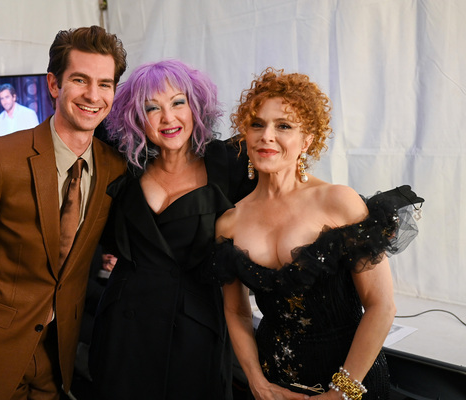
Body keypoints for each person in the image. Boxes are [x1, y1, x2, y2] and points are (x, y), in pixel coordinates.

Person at [0, 25, 127, 400]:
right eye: (80, 80)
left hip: (57, 355)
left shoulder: (114, 168)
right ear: (53, 84)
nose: (93, 95)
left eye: (105, 84)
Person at [211, 67, 423, 399]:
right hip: (274, 385)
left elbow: (381, 305)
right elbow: (236, 311)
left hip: (353, 384)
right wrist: (256, 381)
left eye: (283, 126)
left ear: (307, 139)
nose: (267, 135)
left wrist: (341, 393)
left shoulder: (339, 202)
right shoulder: (229, 223)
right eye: (257, 124)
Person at [88, 59, 257, 400]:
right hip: (125, 330)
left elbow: (284, 197)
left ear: (196, 107)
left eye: (178, 103)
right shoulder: (123, 168)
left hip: (196, 331)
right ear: (138, 119)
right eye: (153, 108)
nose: (168, 118)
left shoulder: (230, 162)